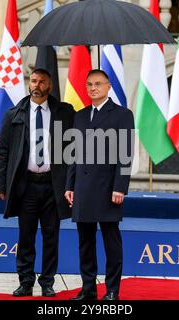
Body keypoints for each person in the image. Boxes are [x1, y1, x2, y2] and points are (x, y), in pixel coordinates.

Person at [0, 68, 75, 297]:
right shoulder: (14, 114)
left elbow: (74, 148)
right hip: (26, 186)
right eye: (33, 81)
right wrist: (1, 185)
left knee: (52, 236)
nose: (37, 85)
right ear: (29, 84)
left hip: (53, 185)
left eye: (42, 82)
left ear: (49, 86)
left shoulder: (64, 113)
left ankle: (47, 282)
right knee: (26, 236)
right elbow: (3, 152)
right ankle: (26, 281)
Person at [65, 69, 135, 301]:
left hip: (108, 189)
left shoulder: (122, 115)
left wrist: (120, 187)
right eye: (89, 84)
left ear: (108, 87)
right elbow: (73, 154)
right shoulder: (81, 115)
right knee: (85, 242)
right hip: (83, 189)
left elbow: (125, 154)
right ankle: (88, 289)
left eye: (97, 84)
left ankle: (112, 289)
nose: (93, 88)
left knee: (111, 241)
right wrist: (70, 185)